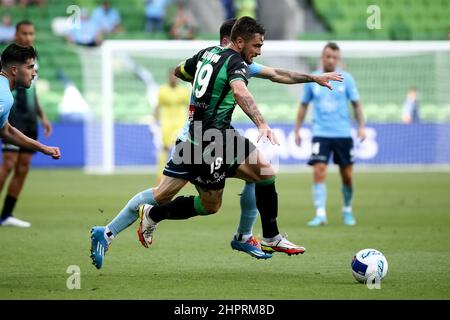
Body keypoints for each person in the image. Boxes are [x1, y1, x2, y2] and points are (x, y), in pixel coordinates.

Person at [89, 18, 342, 269]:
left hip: (209, 136)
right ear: (238, 41)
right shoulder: (236, 63)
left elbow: (182, 71)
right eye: (256, 46)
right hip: (210, 143)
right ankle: (127, 224)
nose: (259, 51)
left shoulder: (207, 54)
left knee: (262, 173)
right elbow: (241, 92)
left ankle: (261, 236)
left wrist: (313, 78)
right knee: (196, 200)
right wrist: (262, 124)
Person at [294, 42, 365, 227]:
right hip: (320, 132)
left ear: (338, 59)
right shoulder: (313, 80)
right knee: (319, 170)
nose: (331, 60)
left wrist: (362, 126)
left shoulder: (347, 79)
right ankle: (320, 213)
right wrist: (297, 129)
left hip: (343, 133)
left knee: (347, 175)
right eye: (328, 56)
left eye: (335, 57)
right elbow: (303, 105)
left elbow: (356, 104)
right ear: (322, 58)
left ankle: (347, 210)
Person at [0, 44, 60, 227]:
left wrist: (44, 148)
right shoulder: (4, 96)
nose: (34, 73)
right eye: (30, 67)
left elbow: (6, 131)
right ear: (14, 70)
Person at [154, 69, 190, 181]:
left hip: (180, 122)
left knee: (183, 147)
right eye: (171, 76)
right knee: (164, 148)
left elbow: (190, 106)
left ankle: (184, 174)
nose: (173, 78)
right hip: (166, 122)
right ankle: (160, 175)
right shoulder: (162, 90)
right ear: (168, 77)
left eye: (175, 76)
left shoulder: (184, 91)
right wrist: (154, 121)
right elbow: (157, 107)